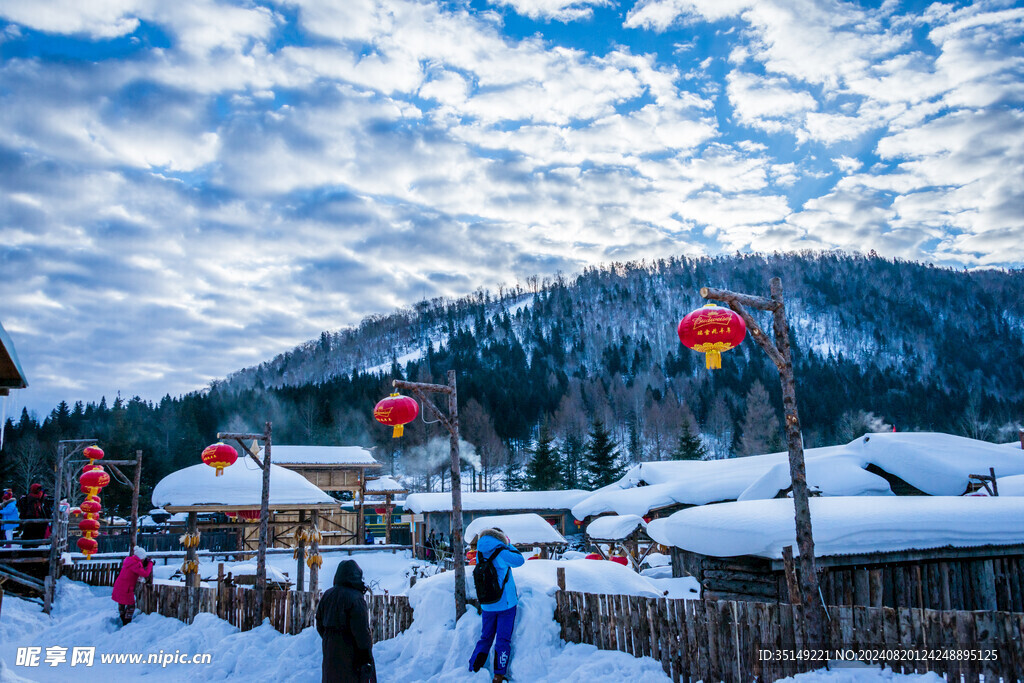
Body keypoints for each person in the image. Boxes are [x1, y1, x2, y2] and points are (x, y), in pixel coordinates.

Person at [469, 528, 524, 682]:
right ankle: (499, 675)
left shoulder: (480, 553)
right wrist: (509, 544)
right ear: (501, 538)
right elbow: (520, 560)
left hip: (487, 604)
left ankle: (474, 668)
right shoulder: (502, 552)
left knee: (485, 637)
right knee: (502, 639)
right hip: (505, 604)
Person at [316, 559, 376, 683]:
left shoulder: (327, 595)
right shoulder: (356, 598)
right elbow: (361, 632)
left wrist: (331, 639)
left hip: (330, 653)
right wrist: (366, 657)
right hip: (351, 655)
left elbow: (319, 623)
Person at [111, 546, 153, 625]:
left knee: (121, 602)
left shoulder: (130, 560)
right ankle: (126, 622)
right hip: (126, 587)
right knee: (131, 605)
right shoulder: (135, 564)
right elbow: (145, 573)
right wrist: (150, 563)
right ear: (141, 557)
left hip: (120, 584)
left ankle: (123, 617)